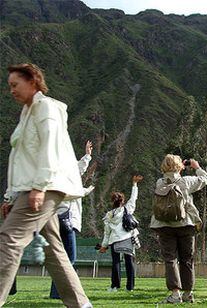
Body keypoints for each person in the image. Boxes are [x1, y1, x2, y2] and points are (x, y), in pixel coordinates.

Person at [0, 63, 92, 307]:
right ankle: (81, 305)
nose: (11, 90)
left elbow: (50, 148)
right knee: (53, 250)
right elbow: (21, 159)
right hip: (32, 187)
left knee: (9, 240)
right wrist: (11, 196)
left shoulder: (46, 108)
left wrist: (40, 187)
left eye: (14, 85)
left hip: (45, 187)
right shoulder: (27, 113)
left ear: (32, 82)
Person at [150, 155, 207, 304]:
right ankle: (188, 293)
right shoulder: (186, 181)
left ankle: (175, 294)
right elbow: (205, 179)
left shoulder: (159, 182)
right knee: (187, 260)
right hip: (186, 225)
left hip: (164, 225)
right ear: (179, 167)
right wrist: (196, 167)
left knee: (170, 259)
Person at [50, 140, 95, 299]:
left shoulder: (58, 171)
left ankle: (56, 293)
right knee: (70, 257)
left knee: (61, 256)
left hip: (59, 218)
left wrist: (88, 156)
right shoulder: (63, 175)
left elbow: (79, 168)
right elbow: (71, 186)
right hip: (65, 219)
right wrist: (85, 191)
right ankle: (61, 293)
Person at [99, 175, 143, 292]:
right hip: (127, 238)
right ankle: (130, 287)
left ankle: (115, 286)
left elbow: (106, 232)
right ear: (122, 201)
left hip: (114, 240)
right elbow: (134, 198)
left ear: (112, 201)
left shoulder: (109, 215)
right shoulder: (127, 209)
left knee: (116, 263)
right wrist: (134, 184)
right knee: (129, 262)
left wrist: (104, 246)